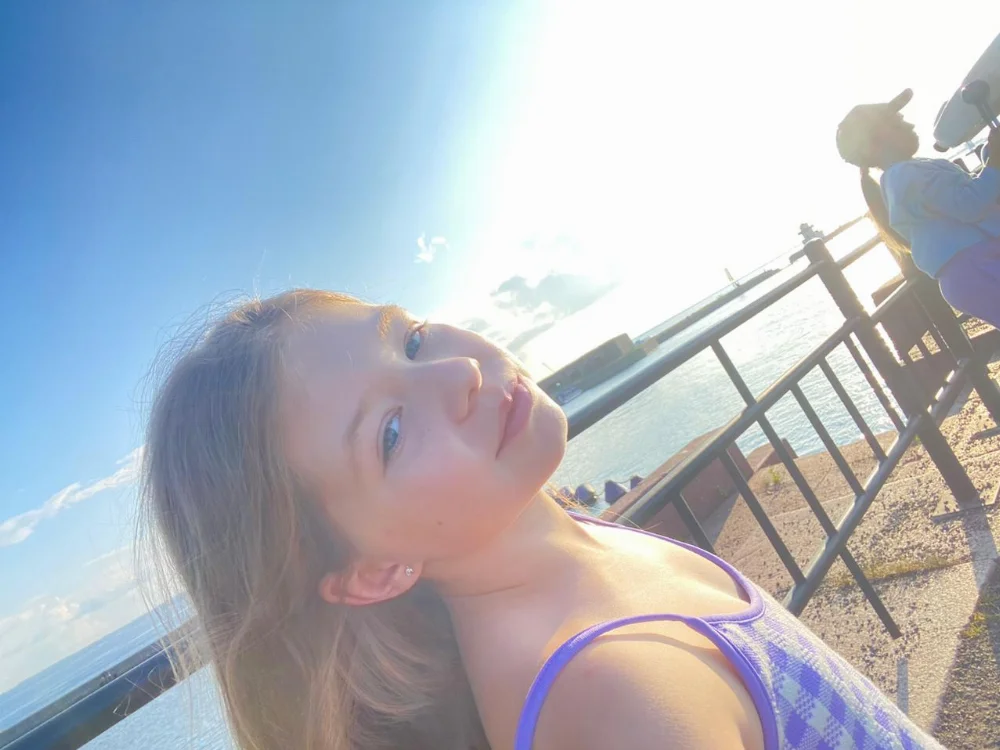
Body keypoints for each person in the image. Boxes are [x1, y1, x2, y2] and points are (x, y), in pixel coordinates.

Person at [140, 289, 945, 749]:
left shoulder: (576, 552)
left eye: (410, 341)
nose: (457, 370)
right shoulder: (611, 699)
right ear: (374, 571)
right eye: (388, 434)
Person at [836, 88, 1000, 328]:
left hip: (970, 271)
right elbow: (970, 204)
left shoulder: (905, 176)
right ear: (873, 145)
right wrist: (994, 162)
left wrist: (991, 161)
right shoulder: (905, 176)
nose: (910, 125)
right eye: (897, 124)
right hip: (975, 267)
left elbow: (964, 198)